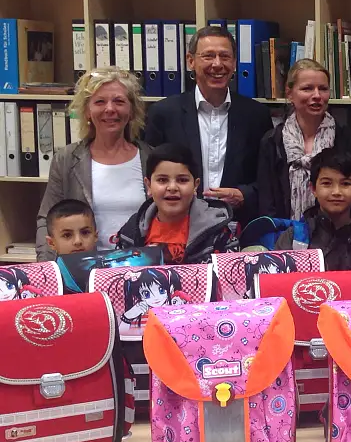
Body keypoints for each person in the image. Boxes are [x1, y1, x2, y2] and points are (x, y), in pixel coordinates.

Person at [143, 25, 273, 224]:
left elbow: (267, 178)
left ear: (235, 62)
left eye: (225, 56)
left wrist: (243, 194)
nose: (218, 64)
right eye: (208, 56)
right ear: (190, 61)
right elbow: (152, 176)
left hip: (238, 227)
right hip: (179, 228)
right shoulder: (163, 114)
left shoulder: (256, 115)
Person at [36, 67, 152, 261]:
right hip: (82, 271)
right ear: (88, 111)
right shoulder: (66, 159)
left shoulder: (151, 158)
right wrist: (49, 270)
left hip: (140, 269)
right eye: (100, 102)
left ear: (132, 110)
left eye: (119, 101)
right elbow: (46, 220)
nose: (110, 109)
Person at [257, 59, 351, 220]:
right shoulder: (272, 141)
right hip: (284, 235)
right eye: (307, 88)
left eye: (323, 89)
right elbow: (266, 202)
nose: (317, 96)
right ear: (289, 93)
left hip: (336, 233)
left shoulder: (346, 138)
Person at [116, 143, 237, 264]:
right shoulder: (130, 232)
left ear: (195, 185)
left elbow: (232, 277)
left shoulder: (218, 232)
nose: (172, 187)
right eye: (162, 180)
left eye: (182, 180)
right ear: (148, 185)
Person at [274, 148, 351, 271]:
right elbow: (279, 284)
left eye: (345, 184)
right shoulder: (295, 238)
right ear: (313, 188)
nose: (336, 192)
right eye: (327, 183)